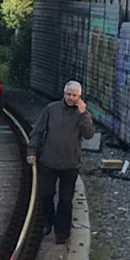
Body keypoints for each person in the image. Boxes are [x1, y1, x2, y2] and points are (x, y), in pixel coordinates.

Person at [26, 81, 96, 245]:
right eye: (68, 94)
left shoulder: (82, 114)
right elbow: (38, 131)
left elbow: (88, 134)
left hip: (70, 164)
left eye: (74, 95)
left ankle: (62, 233)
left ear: (79, 97)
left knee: (66, 200)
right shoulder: (51, 109)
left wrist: (83, 114)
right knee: (46, 195)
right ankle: (48, 220)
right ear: (64, 94)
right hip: (48, 161)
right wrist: (31, 151)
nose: (71, 98)